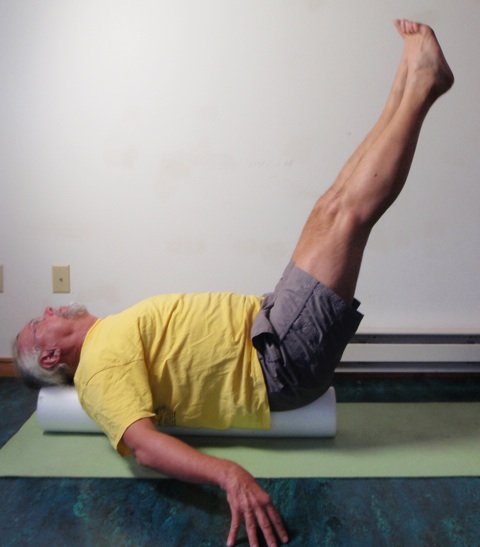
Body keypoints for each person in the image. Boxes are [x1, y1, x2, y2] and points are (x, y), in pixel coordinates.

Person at [13, 20, 453, 547]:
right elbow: (145, 445)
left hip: (267, 325)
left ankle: (411, 80)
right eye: (35, 328)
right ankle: (420, 85)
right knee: (345, 214)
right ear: (51, 359)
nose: (46, 313)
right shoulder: (97, 374)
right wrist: (229, 475)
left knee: (332, 204)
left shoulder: (109, 335)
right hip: (276, 359)